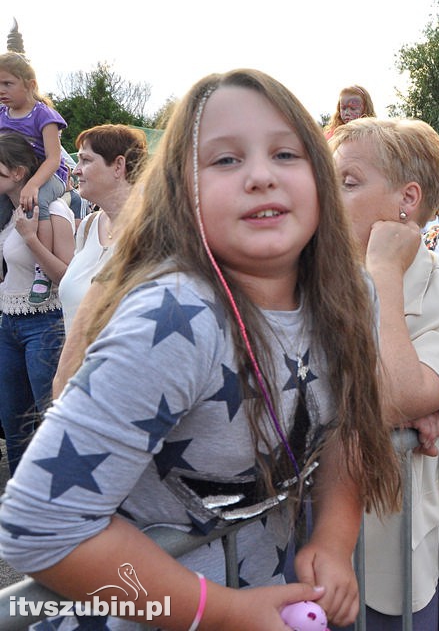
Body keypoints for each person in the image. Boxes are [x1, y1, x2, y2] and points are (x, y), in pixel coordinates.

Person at [0, 69, 401, 629]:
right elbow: (37, 522)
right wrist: (223, 611)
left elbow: (348, 427)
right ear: (181, 191)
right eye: (225, 160)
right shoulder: (176, 318)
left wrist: (334, 539)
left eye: (287, 154)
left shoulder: (354, 294)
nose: (261, 175)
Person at [332, 117, 439, 629]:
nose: (325, 193)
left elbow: (395, 397)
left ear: (407, 198)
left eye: (348, 181)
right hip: (287, 541)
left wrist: (384, 274)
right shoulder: (291, 277)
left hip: (391, 556)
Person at [0, 132, 75, 474]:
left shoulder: (54, 208)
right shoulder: (5, 211)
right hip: (8, 322)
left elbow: (66, 277)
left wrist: (30, 238)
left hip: (45, 324)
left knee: (48, 421)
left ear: (17, 173)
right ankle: (21, 503)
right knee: (13, 423)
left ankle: (55, 507)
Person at [58, 125, 148, 332]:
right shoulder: (88, 226)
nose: (75, 169)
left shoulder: (150, 231)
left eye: (86, 160)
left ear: (118, 166)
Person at [0, 52, 71, 305]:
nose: (1, 90)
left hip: (49, 176)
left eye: (7, 83)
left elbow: (53, 159)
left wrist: (33, 184)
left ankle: (43, 272)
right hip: (21, 176)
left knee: (37, 202)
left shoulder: (43, 115)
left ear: (30, 85)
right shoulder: (2, 114)